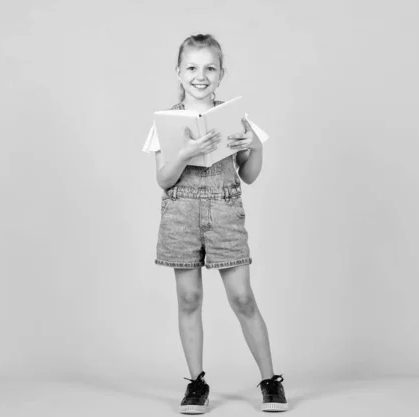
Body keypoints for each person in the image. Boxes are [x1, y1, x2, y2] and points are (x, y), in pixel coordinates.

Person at [142, 33, 289, 414]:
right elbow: (163, 179)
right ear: (178, 71)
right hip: (181, 214)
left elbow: (249, 175)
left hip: (224, 212)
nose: (200, 75)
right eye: (191, 67)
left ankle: (271, 381)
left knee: (242, 297)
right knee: (189, 298)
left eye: (209, 68)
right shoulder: (166, 122)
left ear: (221, 74)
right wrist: (186, 152)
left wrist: (255, 146)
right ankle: (196, 383)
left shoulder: (236, 118)